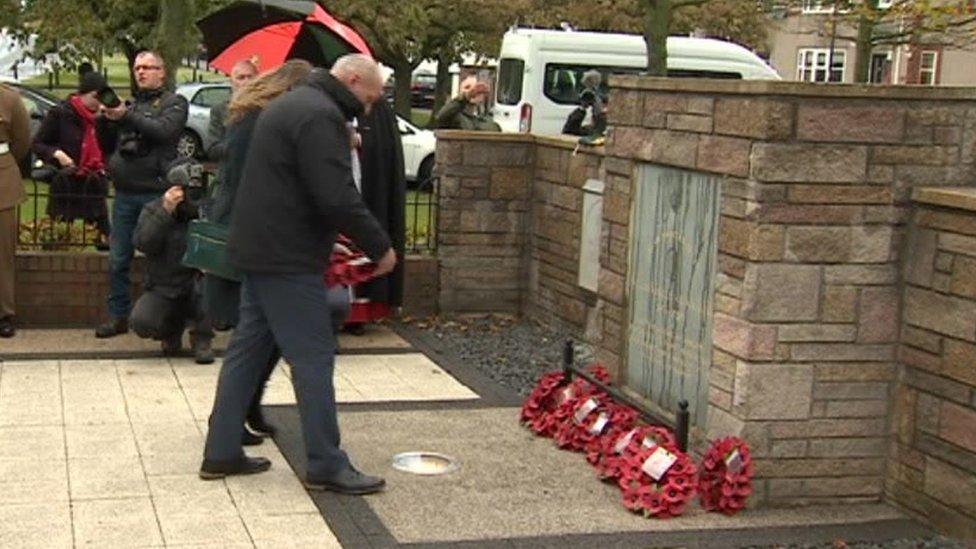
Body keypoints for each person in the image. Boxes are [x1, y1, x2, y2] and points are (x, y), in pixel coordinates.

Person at [200, 54, 396, 495]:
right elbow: (336, 195)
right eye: (371, 95)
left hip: (259, 249)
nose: (372, 105)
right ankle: (327, 463)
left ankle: (221, 448)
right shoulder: (319, 114)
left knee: (247, 352)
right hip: (288, 257)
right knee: (313, 358)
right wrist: (380, 247)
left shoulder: (296, 105)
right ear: (351, 80)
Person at [203, 59, 313, 441]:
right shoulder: (258, 122)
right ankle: (231, 419)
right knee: (251, 339)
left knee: (258, 336)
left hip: (243, 228)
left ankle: (241, 412)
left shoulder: (252, 116)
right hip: (248, 232)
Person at [95, 50, 189, 339]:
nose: (142, 72)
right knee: (118, 258)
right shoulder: (131, 105)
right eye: (137, 68)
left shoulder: (175, 103)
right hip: (124, 192)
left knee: (161, 258)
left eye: (149, 67)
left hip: (156, 193)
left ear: (163, 72)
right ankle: (118, 315)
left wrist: (128, 116)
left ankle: (165, 320)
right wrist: (106, 121)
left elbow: (163, 132)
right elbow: (109, 144)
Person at [130, 161, 215, 364]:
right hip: (164, 285)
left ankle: (202, 339)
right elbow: (143, 243)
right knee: (142, 322)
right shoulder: (155, 208)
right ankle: (170, 331)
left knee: (210, 288)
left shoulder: (206, 208)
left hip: (197, 282)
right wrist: (166, 211)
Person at [31, 71, 112, 249]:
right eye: (95, 96)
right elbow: (38, 144)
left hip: (93, 183)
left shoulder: (102, 118)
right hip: (66, 183)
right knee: (56, 238)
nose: (99, 101)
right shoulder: (61, 113)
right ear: (83, 94)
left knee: (106, 241)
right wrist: (57, 154)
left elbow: (109, 147)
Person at [344, 98, 406, 333]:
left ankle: (357, 315)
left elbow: (383, 146)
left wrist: (361, 141)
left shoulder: (377, 107)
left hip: (366, 188)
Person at [0, 81, 31, 338]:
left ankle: (3, 314)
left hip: (1, 183)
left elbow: (21, 142)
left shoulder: (8, 99)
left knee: (2, 255)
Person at [206, 58, 257, 161]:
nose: (246, 82)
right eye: (241, 78)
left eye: (250, 77)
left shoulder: (264, 109)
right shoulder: (220, 110)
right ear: (232, 81)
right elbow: (212, 150)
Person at [433, 75, 501, 131]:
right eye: (467, 87)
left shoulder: (488, 121)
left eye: (477, 88)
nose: (473, 91)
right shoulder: (453, 117)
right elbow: (441, 117)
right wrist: (467, 96)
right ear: (460, 92)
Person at [562, 69, 607, 137]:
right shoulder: (589, 130)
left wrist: (599, 113)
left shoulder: (604, 132)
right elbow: (569, 131)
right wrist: (582, 108)